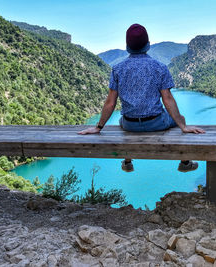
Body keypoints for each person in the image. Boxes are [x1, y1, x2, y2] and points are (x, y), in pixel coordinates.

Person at [78, 24, 205, 172]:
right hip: (156, 123)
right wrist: (183, 126)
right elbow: (168, 99)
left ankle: (127, 162)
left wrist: (98, 127)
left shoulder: (117, 69)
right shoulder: (160, 67)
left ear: (127, 46)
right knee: (180, 119)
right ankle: (185, 162)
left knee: (121, 120)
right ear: (148, 44)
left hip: (129, 124)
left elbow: (110, 103)